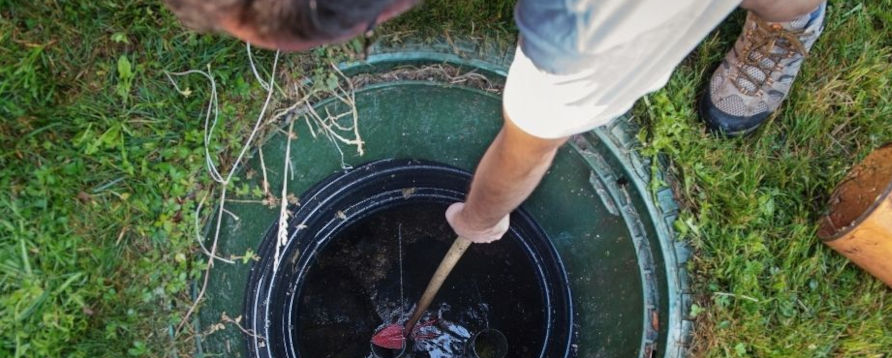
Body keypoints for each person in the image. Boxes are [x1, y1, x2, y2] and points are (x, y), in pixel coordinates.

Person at [166, 0, 826, 243]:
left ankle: (791, 18)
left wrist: (479, 218)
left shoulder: (579, 25)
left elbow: (530, 146)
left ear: (382, 15)